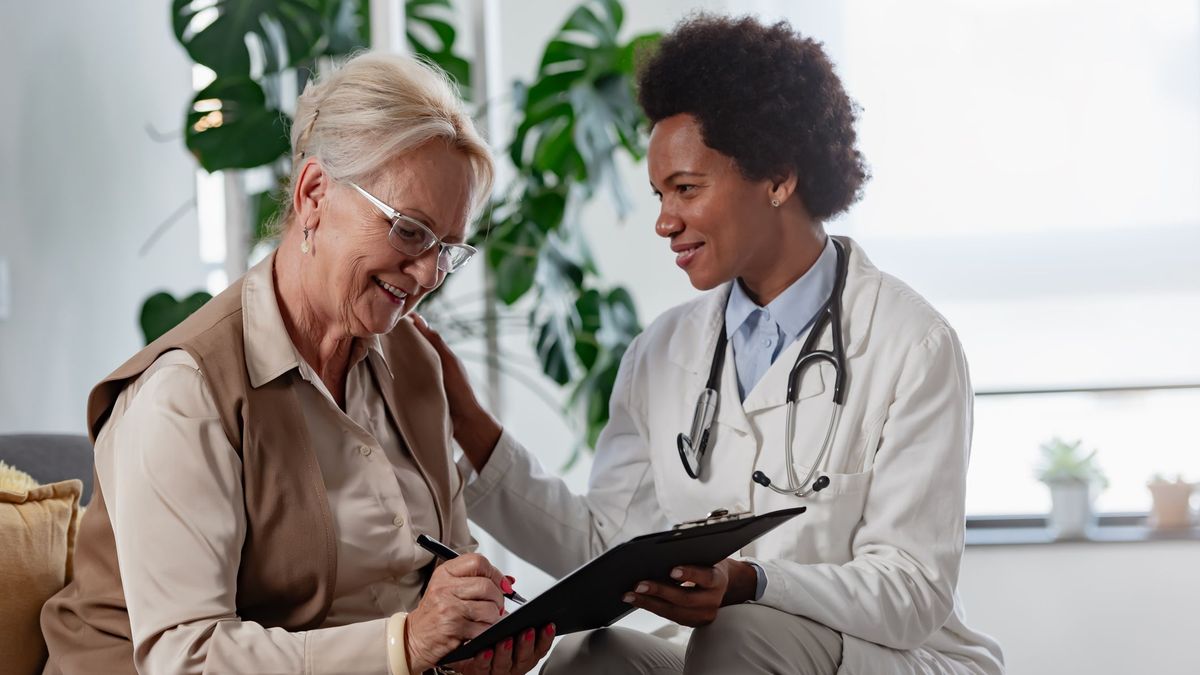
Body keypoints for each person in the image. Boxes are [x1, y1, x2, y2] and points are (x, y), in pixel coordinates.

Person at [415, 14, 1005, 674]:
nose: (665, 221)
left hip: (888, 656)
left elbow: (911, 592)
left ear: (779, 178)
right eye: (659, 194)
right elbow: (602, 545)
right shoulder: (664, 352)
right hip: (727, 656)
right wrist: (468, 422)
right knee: (592, 657)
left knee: (742, 631)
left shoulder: (909, 344)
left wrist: (750, 581)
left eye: (687, 188)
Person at [40, 52, 552, 675]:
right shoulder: (184, 392)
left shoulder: (411, 357)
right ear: (314, 194)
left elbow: (446, 564)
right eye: (410, 231)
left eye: (447, 249)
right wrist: (406, 647)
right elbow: (186, 658)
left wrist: (469, 639)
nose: (426, 276)